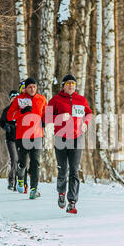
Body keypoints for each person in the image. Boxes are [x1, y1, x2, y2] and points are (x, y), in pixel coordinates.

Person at [47, 74, 92, 214]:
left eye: (73, 83)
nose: (71, 85)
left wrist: (85, 123)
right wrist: (59, 117)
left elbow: (89, 113)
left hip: (77, 137)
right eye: (68, 83)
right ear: (63, 86)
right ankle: (61, 193)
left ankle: (72, 202)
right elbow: (46, 117)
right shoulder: (55, 100)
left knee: (74, 170)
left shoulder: (81, 99)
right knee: (62, 169)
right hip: (61, 137)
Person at [7, 77, 47, 200]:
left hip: (37, 136)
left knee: (35, 162)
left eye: (34, 87)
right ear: (26, 88)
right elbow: (9, 116)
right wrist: (22, 111)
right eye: (29, 87)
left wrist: (45, 121)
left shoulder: (42, 99)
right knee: (22, 162)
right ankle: (20, 176)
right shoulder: (19, 99)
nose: (32, 89)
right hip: (22, 136)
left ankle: (34, 189)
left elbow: (47, 114)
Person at [0, 89, 20, 191]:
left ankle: (20, 181)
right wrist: (6, 126)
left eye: (16, 98)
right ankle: (11, 181)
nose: (14, 100)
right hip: (10, 139)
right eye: (13, 98)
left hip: (21, 139)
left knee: (21, 161)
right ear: (10, 99)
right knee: (14, 159)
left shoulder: (22, 110)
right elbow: (1, 122)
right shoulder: (7, 110)